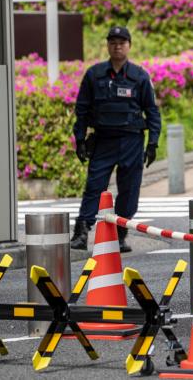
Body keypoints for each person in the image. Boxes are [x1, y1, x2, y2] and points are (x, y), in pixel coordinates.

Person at [70, 26, 161, 253]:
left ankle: (120, 234)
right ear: (108, 45)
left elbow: (152, 111)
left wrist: (152, 143)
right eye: (113, 42)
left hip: (131, 141)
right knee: (94, 187)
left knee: (129, 189)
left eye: (122, 42)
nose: (117, 46)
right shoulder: (94, 75)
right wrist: (80, 140)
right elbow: (81, 110)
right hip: (103, 140)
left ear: (129, 45)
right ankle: (81, 232)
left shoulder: (140, 76)